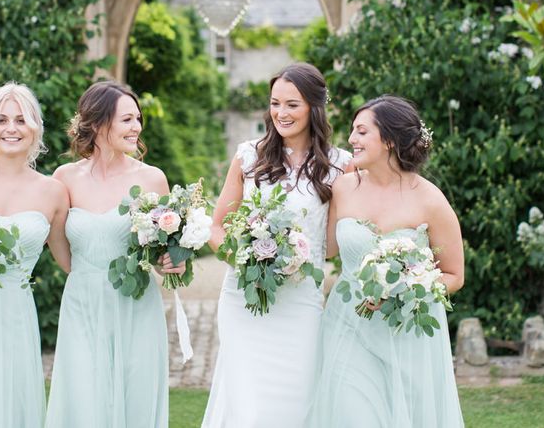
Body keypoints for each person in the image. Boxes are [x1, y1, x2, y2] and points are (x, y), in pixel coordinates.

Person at [203, 63, 351, 428]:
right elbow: (217, 228)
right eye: (274, 104)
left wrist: (292, 254)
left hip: (301, 300)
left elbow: (330, 248)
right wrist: (247, 256)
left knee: (297, 402)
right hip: (244, 298)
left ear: (314, 108)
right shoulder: (249, 156)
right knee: (248, 404)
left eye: (292, 105)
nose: (280, 113)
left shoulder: (340, 166)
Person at [307, 95, 465, 427]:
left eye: (362, 132)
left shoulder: (430, 199)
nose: (351, 140)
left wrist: (407, 287)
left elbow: (453, 274)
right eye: (352, 131)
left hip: (406, 333)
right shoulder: (344, 187)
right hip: (349, 326)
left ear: (390, 140)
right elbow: (327, 249)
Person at [45, 81, 181, 428]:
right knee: (84, 399)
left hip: (135, 304)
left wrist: (172, 264)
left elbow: (166, 257)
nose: (136, 127)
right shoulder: (64, 179)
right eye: (126, 120)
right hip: (83, 305)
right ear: (98, 123)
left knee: (135, 395)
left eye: (138, 119)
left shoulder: (152, 179)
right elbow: (63, 254)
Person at [0, 82, 70, 427]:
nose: (11, 129)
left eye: (21, 120)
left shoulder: (53, 192)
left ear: (36, 128)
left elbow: (72, 262)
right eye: (1, 120)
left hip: (16, 318)